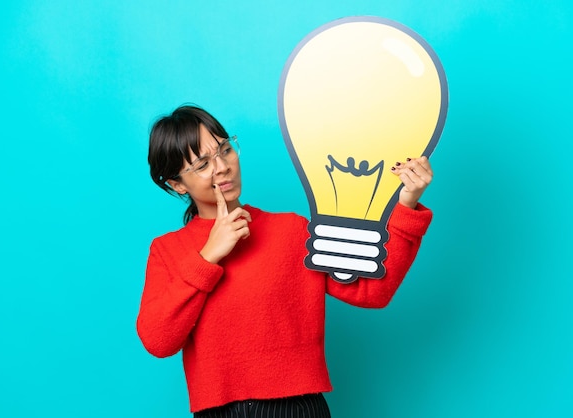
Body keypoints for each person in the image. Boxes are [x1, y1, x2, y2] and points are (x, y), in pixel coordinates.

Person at [137, 105, 434, 417]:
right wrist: (209, 255)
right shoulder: (168, 250)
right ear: (177, 184)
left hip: (297, 408)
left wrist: (406, 205)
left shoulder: (291, 231)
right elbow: (159, 340)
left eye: (225, 149)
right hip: (218, 411)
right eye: (201, 165)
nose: (222, 166)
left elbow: (373, 291)